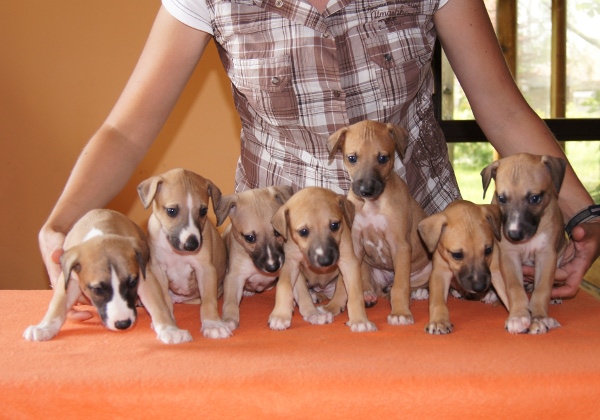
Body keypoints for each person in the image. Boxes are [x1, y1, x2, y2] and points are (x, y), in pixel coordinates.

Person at [39, 0, 599, 299]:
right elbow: (127, 132)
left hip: (428, 258)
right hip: (280, 268)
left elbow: (500, 107)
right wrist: (61, 222)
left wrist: (582, 214)